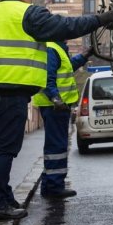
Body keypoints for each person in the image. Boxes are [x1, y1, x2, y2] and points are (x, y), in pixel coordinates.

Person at [0, 0, 113, 221]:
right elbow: (65, 26)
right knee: (5, 149)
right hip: (10, 88)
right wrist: (100, 20)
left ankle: (3, 197)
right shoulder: (26, 13)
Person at [32, 41, 92, 199]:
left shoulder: (57, 48)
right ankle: (54, 186)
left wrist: (84, 56)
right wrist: (55, 98)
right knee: (57, 146)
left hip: (57, 106)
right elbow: (47, 78)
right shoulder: (52, 48)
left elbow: (67, 67)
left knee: (56, 145)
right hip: (55, 106)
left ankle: (49, 184)